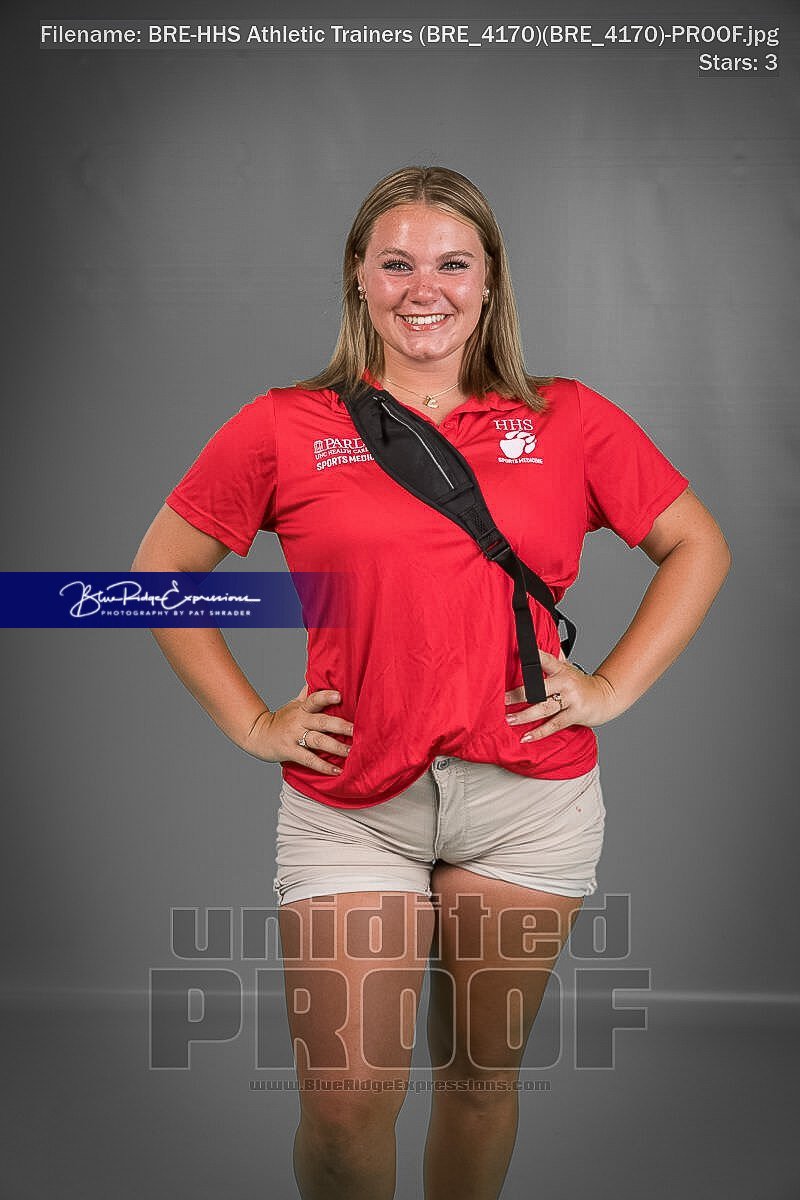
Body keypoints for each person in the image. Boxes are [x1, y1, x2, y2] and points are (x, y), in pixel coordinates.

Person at [132, 165, 731, 1199]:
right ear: (357, 279)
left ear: (488, 283)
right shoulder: (284, 425)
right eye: (396, 263)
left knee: (478, 1081)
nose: (425, 288)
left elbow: (697, 546)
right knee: (342, 1110)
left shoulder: (567, 419)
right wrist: (252, 721)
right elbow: (155, 577)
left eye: (453, 264)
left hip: (526, 803)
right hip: (352, 807)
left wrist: (610, 688)